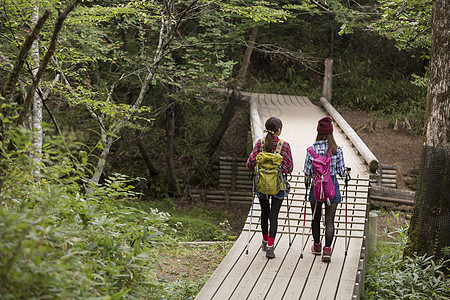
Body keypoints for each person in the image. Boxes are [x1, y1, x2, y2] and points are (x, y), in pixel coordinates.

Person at [246, 117, 293, 259]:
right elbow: (289, 168)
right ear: (279, 130)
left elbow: (249, 164)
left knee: (264, 213)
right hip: (278, 186)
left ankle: (265, 241)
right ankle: (271, 247)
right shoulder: (284, 146)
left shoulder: (259, 144)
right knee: (274, 215)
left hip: (262, 185)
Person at [303, 116, 346, 262]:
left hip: (316, 187)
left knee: (315, 218)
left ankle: (316, 246)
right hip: (331, 187)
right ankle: (327, 251)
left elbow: (307, 172)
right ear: (331, 132)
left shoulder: (311, 150)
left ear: (318, 131)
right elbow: (341, 171)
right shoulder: (337, 150)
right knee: (330, 221)